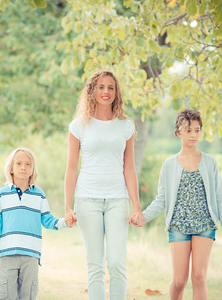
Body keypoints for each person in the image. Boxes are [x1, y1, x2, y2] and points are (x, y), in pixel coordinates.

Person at [131, 109, 222, 300]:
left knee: (199, 277)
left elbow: (220, 197)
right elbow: (162, 199)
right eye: (188, 130)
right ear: (178, 132)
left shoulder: (210, 163)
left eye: (197, 130)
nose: (193, 135)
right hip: (178, 226)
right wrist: (143, 216)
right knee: (179, 281)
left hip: (204, 224)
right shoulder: (169, 165)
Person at [64, 70, 143, 299]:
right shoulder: (78, 126)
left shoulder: (125, 126)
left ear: (116, 92)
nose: (106, 92)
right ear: (92, 91)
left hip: (118, 200)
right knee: (95, 264)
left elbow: (129, 168)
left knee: (117, 262)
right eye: (100, 87)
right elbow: (71, 168)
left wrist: (136, 206)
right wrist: (68, 206)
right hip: (87, 200)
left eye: (110, 87)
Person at [0, 147, 70, 300]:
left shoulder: (39, 195)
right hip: (7, 254)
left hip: (31, 255)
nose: (23, 167)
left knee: (28, 295)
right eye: (18, 163)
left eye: (28, 164)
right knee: (5, 294)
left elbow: (48, 219)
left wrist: (65, 222)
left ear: (32, 169)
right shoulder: (1, 194)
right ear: (11, 168)